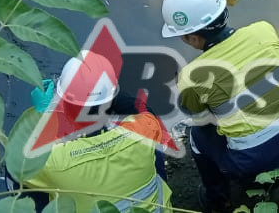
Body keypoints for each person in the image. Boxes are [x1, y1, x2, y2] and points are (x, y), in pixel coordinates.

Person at [161, 0, 279, 211]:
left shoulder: (191, 75)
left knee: (197, 135)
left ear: (193, 38)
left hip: (253, 159)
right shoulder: (264, 29)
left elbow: (201, 117)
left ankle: (216, 197)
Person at [20, 51, 174, 211]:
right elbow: (142, 109)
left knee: (26, 183)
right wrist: (103, 88)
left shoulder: (53, 161)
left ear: (65, 106)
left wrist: (45, 116)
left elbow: (16, 167)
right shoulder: (145, 128)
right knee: (153, 147)